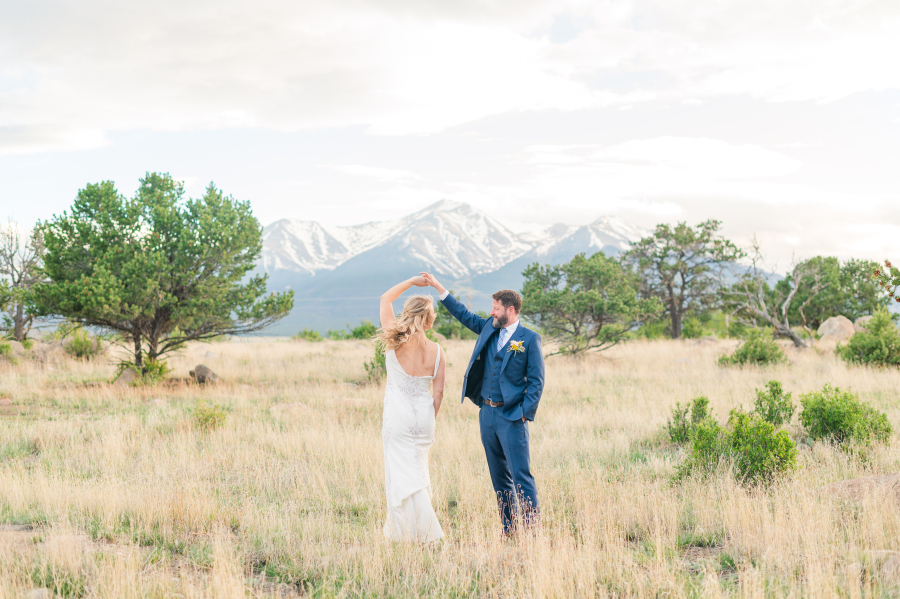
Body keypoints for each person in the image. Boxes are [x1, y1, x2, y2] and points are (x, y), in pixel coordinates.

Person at [420, 271, 545, 535]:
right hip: (487, 414)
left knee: (521, 476)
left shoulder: (529, 339)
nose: (491, 312)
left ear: (510, 310)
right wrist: (439, 288)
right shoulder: (489, 326)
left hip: (513, 417)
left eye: (496, 308)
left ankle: (533, 531)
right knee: (499, 478)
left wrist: (525, 413)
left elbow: (536, 382)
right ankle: (508, 530)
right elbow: (463, 314)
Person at [377, 276, 445, 542]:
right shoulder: (438, 351)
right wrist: (430, 417)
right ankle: (411, 531)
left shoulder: (395, 338)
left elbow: (385, 299)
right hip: (425, 418)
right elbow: (437, 393)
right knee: (419, 472)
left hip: (398, 416)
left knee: (399, 472)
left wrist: (413, 282)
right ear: (429, 320)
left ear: (409, 313)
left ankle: (415, 532)